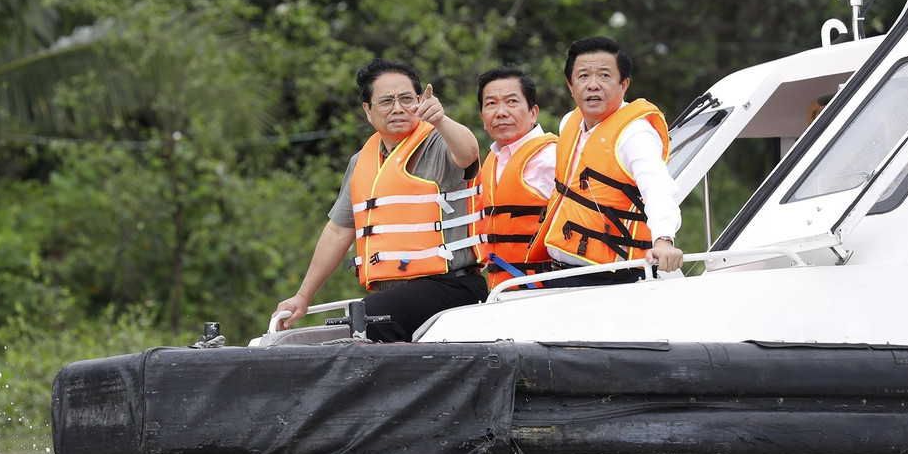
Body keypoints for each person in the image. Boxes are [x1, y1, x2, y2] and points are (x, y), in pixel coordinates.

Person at [274, 58, 487, 341]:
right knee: (352, 322)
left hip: (451, 284)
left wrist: (440, 119)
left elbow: (469, 152)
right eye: (386, 101)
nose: (398, 108)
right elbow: (338, 231)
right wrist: (303, 296)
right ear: (368, 111)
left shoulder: (440, 141)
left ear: (420, 101)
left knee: (369, 318)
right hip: (396, 295)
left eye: (406, 99)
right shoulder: (361, 161)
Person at [527, 36, 683, 286]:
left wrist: (664, 241)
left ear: (624, 85)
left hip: (614, 279)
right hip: (562, 272)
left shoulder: (635, 134)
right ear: (570, 85)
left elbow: (659, 190)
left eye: (604, 76)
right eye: (584, 76)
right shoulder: (570, 122)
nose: (593, 85)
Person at [476, 66, 557, 290]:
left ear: (533, 112)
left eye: (511, 102)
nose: (501, 112)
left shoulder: (553, 157)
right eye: (491, 104)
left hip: (551, 290)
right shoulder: (491, 162)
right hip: (501, 291)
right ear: (483, 118)